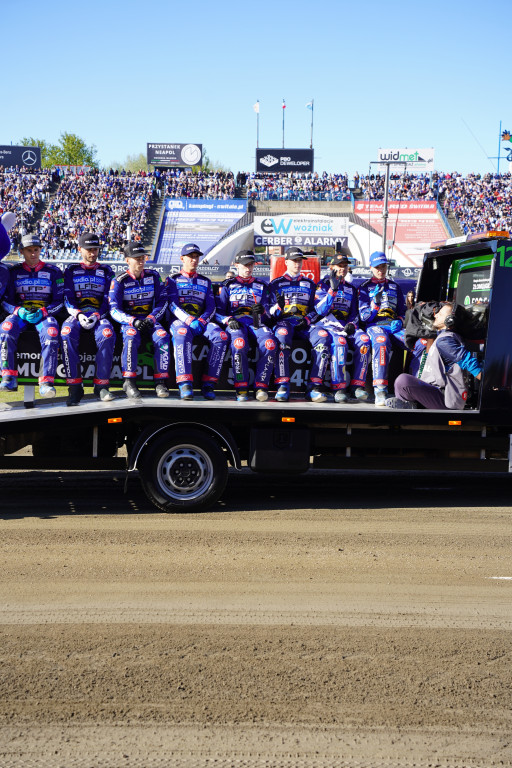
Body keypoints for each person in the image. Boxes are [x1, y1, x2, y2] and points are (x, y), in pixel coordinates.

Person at [386, 302, 483, 410]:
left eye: (440, 314)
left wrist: (489, 384)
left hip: (445, 399)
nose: (435, 315)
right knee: (402, 385)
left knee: (403, 381)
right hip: (437, 394)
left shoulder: (445, 341)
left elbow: (469, 363)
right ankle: (411, 407)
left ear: (449, 320)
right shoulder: (443, 337)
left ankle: (410, 409)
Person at [0, 233, 63, 397]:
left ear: (41, 249)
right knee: (6, 328)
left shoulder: (54, 271)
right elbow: (5, 300)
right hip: (21, 315)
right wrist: (18, 310)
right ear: (21, 251)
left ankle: (46, 382)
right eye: (29, 250)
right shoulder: (13, 272)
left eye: (36, 249)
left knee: (51, 332)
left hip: (43, 314)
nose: (33, 253)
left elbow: (59, 301)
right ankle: (8, 377)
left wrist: (44, 311)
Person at [165, 243, 228, 400]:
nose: (194, 260)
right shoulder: (172, 280)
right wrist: (189, 319)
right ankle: (184, 383)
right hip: (179, 321)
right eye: (190, 257)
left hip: (201, 321)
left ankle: (209, 383)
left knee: (221, 336)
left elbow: (211, 306)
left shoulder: (205, 281)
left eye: (196, 257)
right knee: (181, 333)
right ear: (182, 259)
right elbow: (172, 304)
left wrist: (202, 320)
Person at [108, 243, 170, 400]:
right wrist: (132, 321)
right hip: (130, 322)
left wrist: (152, 318)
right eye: (137, 259)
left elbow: (163, 302)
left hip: (150, 320)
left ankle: (160, 382)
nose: (141, 262)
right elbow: (114, 309)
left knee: (162, 336)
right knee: (130, 337)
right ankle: (129, 382)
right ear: (127, 260)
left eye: (143, 258)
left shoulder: (153, 276)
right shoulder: (119, 281)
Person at [61, 232, 115, 406]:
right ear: (80, 249)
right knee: (66, 333)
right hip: (77, 315)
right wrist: (78, 314)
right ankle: (75, 387)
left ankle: (101, 386)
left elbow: (108, 299)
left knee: (107, 334)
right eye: (89, 249)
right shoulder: (71, 270)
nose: (92, 253)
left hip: (99, 315)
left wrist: (98, 315)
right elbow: (67, 297)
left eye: (95, 249)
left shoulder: (106, 271)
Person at [216, 249, 276, 401]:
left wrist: (263, 311)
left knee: (269, 344)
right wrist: (228, 320)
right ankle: (241, 387)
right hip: (236, 323)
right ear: (236, 265)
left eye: (251, 264)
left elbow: (269, 314)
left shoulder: (262, 285)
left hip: (256, 323)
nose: (248, 268)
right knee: (239, 343)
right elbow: (218, 312)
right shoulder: (228, 285)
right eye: (244, 265)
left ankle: (261, 386)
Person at [311, 253, 370, 402]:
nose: (342, 269)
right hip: (327, 325)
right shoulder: (322, 284)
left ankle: (358, 385)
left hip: (345, 326)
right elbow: (320, 310)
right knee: (340, 343)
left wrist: (352, 324)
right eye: (339, 266)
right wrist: (332, 291)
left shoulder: (351, 288)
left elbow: (354, 314)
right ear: (331, 267)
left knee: (364, 339)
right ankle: (339, 387)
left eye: (345, 266)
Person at [269, 246, 319, 402]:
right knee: (282, 337)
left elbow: (316, 310)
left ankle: (314, 387)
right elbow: (269, 314)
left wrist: (307, 320)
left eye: (299, 261)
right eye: (294, 260)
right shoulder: (275, 284)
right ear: (286, 262)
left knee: (323, 337)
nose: (297, 264)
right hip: (284, 322)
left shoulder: (310, 283)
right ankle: (282, 385)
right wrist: (278, 307)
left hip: (304, 324)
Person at [358, 251, 408, 407]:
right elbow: (364, 317)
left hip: (393, 325)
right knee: (381, 342)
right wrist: (375, 306)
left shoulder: (395, 286)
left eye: (383, 266)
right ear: (371, 268)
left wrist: (400, 321)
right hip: (375, 325)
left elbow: (402, 312)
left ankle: (418, 385)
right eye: (377, 267)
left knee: (417, 342)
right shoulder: (364, 288)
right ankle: (380, 390)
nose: (381, 270)